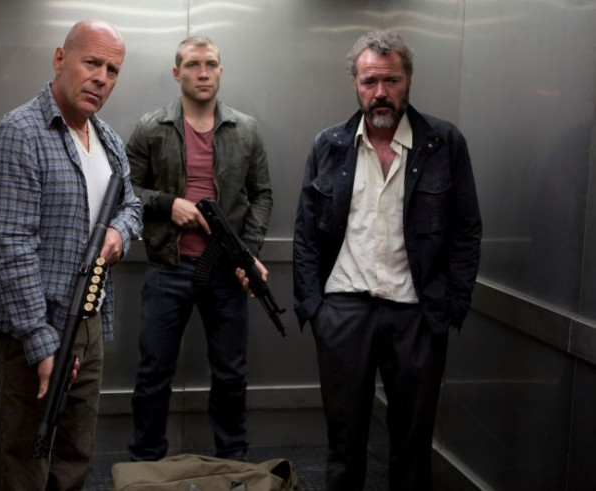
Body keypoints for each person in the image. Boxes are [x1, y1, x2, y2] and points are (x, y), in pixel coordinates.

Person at [293, 30, 482, 490]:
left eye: (391, 80)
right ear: (355, 84)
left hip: (417, 314)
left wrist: (451, 306)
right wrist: (315, 308)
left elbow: (466, 231)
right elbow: (305, 233)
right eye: (369, 81)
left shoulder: (444, 144)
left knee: (413, 448)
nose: (380, 92)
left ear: (408, 80)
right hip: (343, 311)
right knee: (344, 444)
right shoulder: (328, 145)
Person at [0, 20, 142, 490]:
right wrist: (40, 341)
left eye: (112, 70)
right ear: (59, 59)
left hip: (88, 322)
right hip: (31, 327)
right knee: (25, 462)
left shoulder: (107, 139)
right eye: (91, 62)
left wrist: (119, 232)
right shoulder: (20, 132)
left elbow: (131, 205)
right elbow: (13, 247)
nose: (101, 78)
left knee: (74, 456)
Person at [126, 35, 273, 462]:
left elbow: (262, 194)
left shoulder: (246, 129)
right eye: (192, 65)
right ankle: (145, 464)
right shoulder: (151, 127)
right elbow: (125, 189)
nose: (202, 73)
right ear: (177, 73)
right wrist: (168, 204)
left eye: (210, 64)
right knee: (153, 372)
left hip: (227, 270)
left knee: (231, 374)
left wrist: (248, 252)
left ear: (221, 71)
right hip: (167, 267)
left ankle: (233, 460)